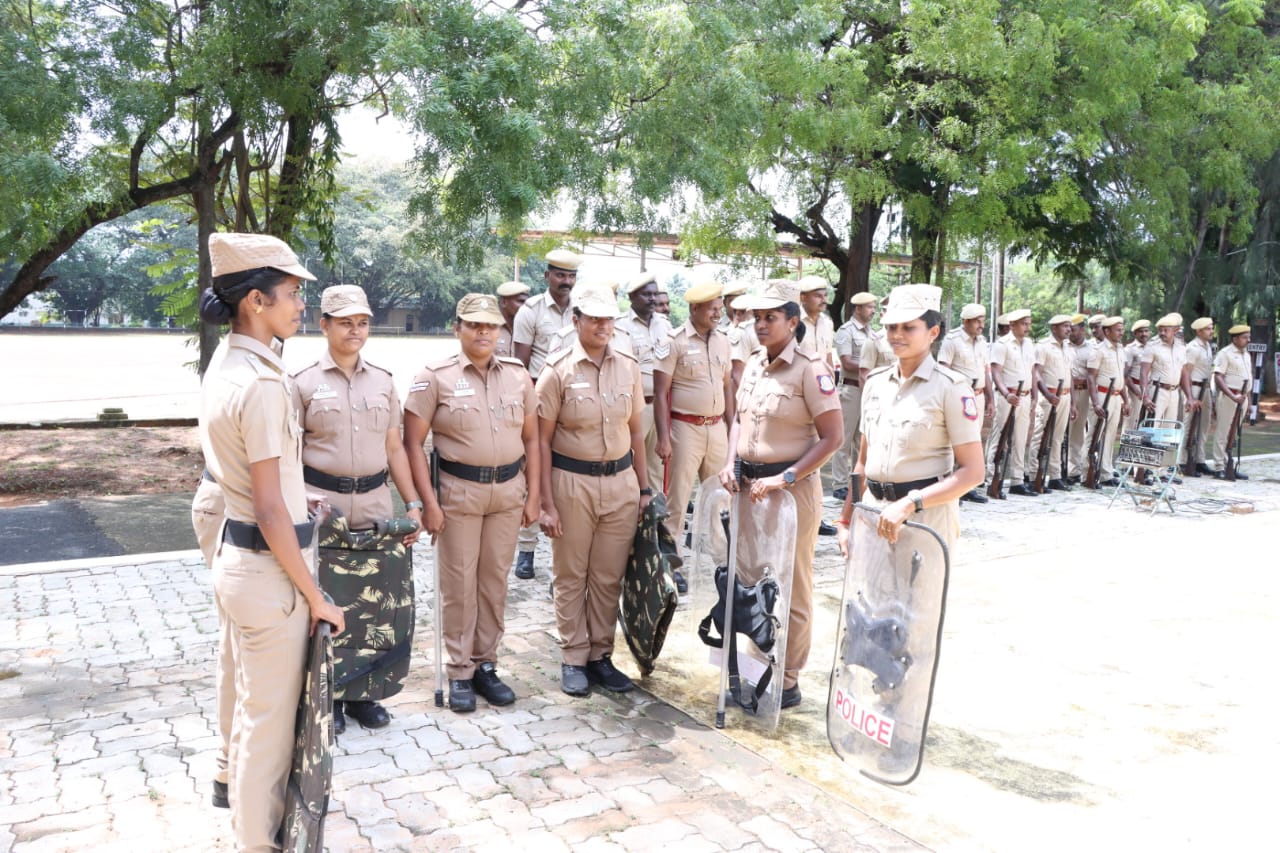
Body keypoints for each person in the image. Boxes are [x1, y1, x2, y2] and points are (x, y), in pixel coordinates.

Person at [198, 232, 345, 852]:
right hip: (269, 574)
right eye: (291, 295)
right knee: (269, 729)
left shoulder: (231, 362)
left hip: (244, 560)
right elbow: (265, 506)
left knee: (248, 705)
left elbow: (259, 482)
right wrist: (316, 597)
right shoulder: (260, 383)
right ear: (255, 301)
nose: (300, 307)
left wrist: (295, 496)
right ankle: (256, 842)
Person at [291, 284, 423, 733]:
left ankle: (366, 694)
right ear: (323, 323)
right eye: (345, 322)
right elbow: (288, 455)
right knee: (325, 602)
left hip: (373, 502)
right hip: (322, 507)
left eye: (362, 322)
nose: (355, 330)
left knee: (375, 605)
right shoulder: (302, 384)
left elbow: (395, 448)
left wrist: (414, 503)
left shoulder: (383, 381)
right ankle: (326, 694)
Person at [403, 294, 540, 712]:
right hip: (458, 493)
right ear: (457, 327)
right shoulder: (435, 377)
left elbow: (533, 438)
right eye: (474, 324)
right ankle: (459, 669)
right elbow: (411, 442)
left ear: (501, 331)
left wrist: (534, 495)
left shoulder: (518, 375)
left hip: (506, 493)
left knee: (494, 581)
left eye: (491, 326)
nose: (484, 332)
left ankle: (486, 664)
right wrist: (428, 503)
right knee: (459, 584)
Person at [718, 279, 842, 710]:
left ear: (793, 321)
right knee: (751, 582)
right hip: (749, 489)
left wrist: (786, 478)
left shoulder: (811, 368)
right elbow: (738, 420)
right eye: (757, 317)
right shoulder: (753, 364)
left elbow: (832, 438)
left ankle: (786, 679)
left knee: (792, 587)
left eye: (770, 317)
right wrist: (730, 461)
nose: (761, 325)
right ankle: (757, 667)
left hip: (791, 492)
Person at [536, 282, 653, 697]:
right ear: (577, 320)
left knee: (607, 575)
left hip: (620, 483)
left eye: (609, 319)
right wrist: (545, 503)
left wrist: (643, 488)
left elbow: (636, 432)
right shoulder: (557, 371)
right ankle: (573, 655)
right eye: (595, 318)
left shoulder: (628, 365)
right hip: (572, 483)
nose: (603, 326)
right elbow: (541, 441)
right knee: (572, 573)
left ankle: (601, 655)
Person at [837, 281, 984, 554]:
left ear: (933, 332)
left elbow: (973, 472)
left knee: (919, 597)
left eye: (908, 327)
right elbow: (862, 464)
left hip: (923, 518)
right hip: (873, 512)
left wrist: (910, 503)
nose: (897, 335)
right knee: (869, 597)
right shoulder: (875, 383)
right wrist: (846, 519)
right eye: (892, 327)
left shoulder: (950, 387)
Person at [511, 249, 582, 579]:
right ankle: (526, 550)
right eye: (560, 275)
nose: (566, 282)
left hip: (576, 399)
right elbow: (520, 366)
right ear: (547, 276)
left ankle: (562, 556)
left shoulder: (583, 309)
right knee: (533, 473)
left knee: (566, 475)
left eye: (570, 276)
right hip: (539, 398)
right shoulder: (531, 311)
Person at [654, 280, 733, 555]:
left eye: (719, 308)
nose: (717, 314)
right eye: (712, 309)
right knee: (678, 499)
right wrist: (664, 438)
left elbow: (727, 386)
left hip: (717, 428)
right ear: (695, 308)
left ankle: (721, 561)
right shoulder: (674, 342)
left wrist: (732, 428)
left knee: (721, 499)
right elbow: (661, 392)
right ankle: (670, 563)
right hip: (685, 430)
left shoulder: (723, 341)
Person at [615, 271, 673, 491]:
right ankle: (630, 518)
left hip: (658, 406)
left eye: (654, 294)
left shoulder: (665, 325)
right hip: (632, 409)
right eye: (646, 294)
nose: (652, 299)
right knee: (629, 464)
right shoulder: (621, 326)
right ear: (631, 297)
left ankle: (654, 520)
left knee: (658, 465)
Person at [937, 302, 992, 503]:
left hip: (978, 395)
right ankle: (949, 487)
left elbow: (987, 371)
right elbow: (943, 368)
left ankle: (967, 486)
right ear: (966, 321)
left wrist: (990, 398)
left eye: (982, 320)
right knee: (954, 442)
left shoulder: (982, 342)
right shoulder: (952, 340)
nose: (981, 325)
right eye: (977, 321)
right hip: (959, 396)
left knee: (973, 440)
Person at [831, 291, 878, 501]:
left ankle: (859, 482)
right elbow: (847, 362)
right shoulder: (846, 331)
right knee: (844, 439)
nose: (873, 310)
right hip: (851, 390)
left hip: (868, 389)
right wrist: (870, 364)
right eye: (869, 307)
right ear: (857, 308)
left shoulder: (873, 333)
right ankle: (840, 484)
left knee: (863, 439)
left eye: (874, 307)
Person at [986, 308, 1035, 496]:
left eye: (1029, 323)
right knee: (998, 438)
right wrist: (1006, 394)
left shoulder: (1029, 344)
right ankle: (992, 479)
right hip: (1008, 397)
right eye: (1024, 324)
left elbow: (1032, 371)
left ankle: (1017, 480)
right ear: (1012, 325)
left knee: (1021, 439)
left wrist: (1034, 396)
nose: (1028, 328)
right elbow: (996, 371)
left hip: (1025, 396)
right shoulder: (1002, 344)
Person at [1029, 314, 1074, 491]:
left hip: (1065, 395)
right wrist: (1047, 394)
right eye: (1065, 326)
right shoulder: (1043, 347)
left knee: (1058, 437)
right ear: (1054, 328)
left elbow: (1071, 376)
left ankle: (1054, 476)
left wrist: (1074, 403)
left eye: (1069, 326)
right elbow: (1037, 372)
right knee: (1041, 436)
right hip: (1049, 396)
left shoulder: (1069, 348)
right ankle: (1034, 475)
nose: (1069, 329)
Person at [1084, 316, 1128, 487]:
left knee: (1110, 435)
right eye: (1118, 330)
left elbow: (1121, 377)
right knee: (1094, 434)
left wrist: (1126, 400)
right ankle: (1085, 473)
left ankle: (1105, 473)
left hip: (1116, 396)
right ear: (1107, 331)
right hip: (1102, 395)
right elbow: (1090, 377)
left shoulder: (1120, 350)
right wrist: (1095, 403)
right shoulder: (1099, 350)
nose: (1121, 333)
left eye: (1122, 330)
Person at [1211, 325, 1252, 479]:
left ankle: (1229, 464)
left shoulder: (1246, 354)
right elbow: (1218, 377)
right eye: (1245, 337)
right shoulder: (1225, 353)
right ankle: (1219, 466)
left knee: (1234, 432)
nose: (1248, 340)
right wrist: (1231, 395)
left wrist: (1248, 399)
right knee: (1223, 431)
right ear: (1235, 339)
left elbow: (1248, 377)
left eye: (1248, 337)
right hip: (1230, 396)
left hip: (1242, 397)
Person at [1183, 317, 1216, 475]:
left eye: (1211, 328)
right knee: (1188, 424)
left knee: (1204, 426)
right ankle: (1182, 460)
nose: (1212, 331)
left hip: (1206, 389)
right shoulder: (1192, 347)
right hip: (1194, 388)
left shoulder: (1208, 346)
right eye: (1208, 329)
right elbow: (1186, 372)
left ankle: (1199, 459)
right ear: (1199, 331)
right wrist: (1190, 396)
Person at [1064, 316, 1092, 483]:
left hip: (1083, 393)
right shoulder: (1064, 346)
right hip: (1065, 392)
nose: (1069, 333)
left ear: (1082, 330)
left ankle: (1073, 470)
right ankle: (1059, 468)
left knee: (1077, 432)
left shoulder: (1091, 348)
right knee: (1061, 431)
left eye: (1073, 329)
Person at [797, 276, 836, 371]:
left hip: (822, 381)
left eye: (825, 295)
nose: (824, 300)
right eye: (818, 296)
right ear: (803, 298)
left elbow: (828, 355)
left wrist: (832, 379)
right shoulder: (793, 322)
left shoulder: (827, 323)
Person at [1123, 319, 1151, 431]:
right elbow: (1125, 374)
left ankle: (1142, 448)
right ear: (1135, 333)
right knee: (1132, 422)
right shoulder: (1130, 349)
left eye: (1146, 331)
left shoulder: (1152, 347)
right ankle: (1125, 448)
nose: (1144, 334)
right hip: (1135, 390)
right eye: (1140, 331)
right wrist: (1136, 391)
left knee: (1147, 423)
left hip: (1150, 389)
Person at [495, 280, 531, 359]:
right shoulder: (491, 329)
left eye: (527, 302)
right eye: (521, 301)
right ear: (504, 302)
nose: (525, 306)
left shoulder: (529, 330)